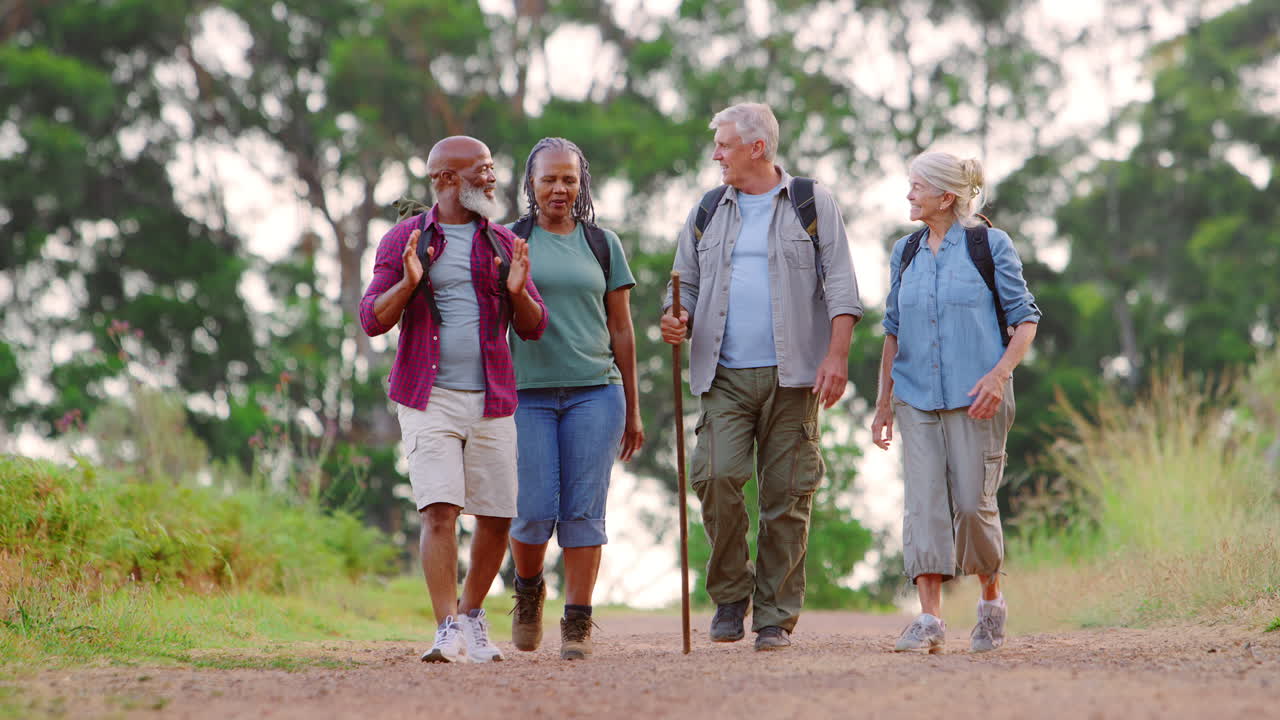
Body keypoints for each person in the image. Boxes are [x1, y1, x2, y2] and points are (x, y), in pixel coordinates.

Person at [660, 103, 864, 651]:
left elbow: (843, 287)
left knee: (787, 497)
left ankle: (774, 614)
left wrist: (837, 357)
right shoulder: (707, 209)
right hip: (722, 374)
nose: (716, 154)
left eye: (724, 144)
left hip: (794, 377)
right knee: (715, 476)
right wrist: (675, 317)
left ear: (758, 147)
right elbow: (685, 284)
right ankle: (730, 595)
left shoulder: (811, 203)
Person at [358, 136, 547, 663]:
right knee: (439, 510)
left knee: (496, 516)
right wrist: (410, 283)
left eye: (491, 168)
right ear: (444, 180)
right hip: (427, 396)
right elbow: (372, 318)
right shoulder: (404, 239)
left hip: (492, 398)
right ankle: (445, 628)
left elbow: (535, 327)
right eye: (479, 171)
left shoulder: (505, 243)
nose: (491, 178)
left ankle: (470, 614)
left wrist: (516, 293)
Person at [870, 150, 1041, 654]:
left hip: (977, 398)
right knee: (922, 506)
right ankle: (929, 620)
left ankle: (990, 600)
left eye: (916, 186)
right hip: (916, 399)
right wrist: (884, 403)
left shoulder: (990, 245)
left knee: (971, 504)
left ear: (946, 196)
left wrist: (999, 375)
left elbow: (1024, 318)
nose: (908, 195)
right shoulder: (905, 252)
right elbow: (892, 332)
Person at [505, 137, 644, 660]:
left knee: (584, 511)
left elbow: (622, 329)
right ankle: (528, 589)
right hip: (526, 395)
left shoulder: (603, 243)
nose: (560, 188)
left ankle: (578, 620)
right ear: (531, 184)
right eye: (549, 179)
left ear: (581, 182)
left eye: (569, 178)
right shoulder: (508, 240)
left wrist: (633, 406)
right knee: (534, 510)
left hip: (596, 391)